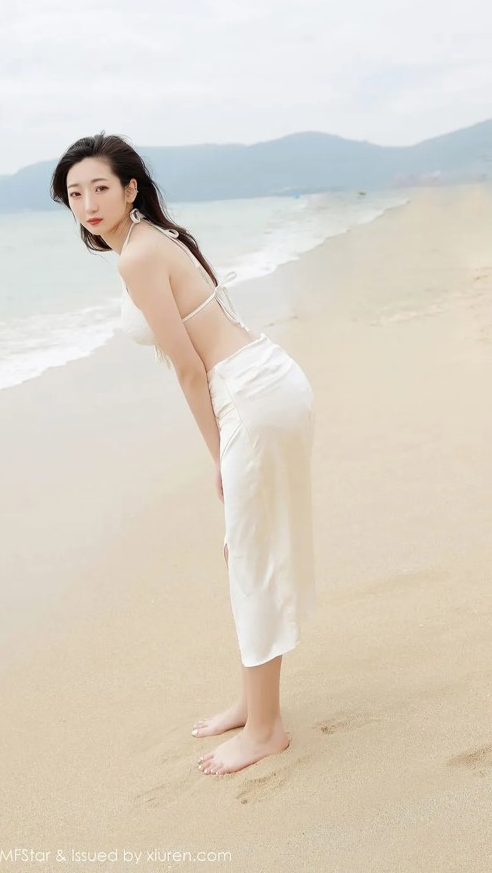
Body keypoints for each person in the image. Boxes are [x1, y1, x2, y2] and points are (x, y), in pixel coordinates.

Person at [50, 132, 316, 776]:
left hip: (248, 396)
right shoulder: (151, 242)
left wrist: (219, 458)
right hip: (263, 382)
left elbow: (190, 369)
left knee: (248, 553)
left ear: (131, 189)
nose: (86, 201)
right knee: (249, 549)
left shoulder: (136, 256)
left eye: (100, 188)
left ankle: (267, 728)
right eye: (75, 192)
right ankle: (254, 705)